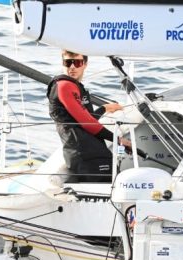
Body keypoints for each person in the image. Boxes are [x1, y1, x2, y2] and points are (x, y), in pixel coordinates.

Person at [47, 50, 132, 183]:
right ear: (63, 63)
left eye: (77, 62)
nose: (72, 67)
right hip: (83, 153)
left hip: (91, 150)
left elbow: (84, 117)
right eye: (68, 62)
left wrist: (104, 108)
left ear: (85, 64)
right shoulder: (64, 86)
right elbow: (87, 122)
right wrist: (118, 140)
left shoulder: (75, 86)